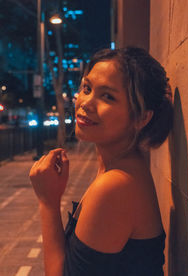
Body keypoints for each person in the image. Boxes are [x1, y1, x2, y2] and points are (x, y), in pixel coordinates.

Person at [29, 46, 173, 276]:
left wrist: (48, 202)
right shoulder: (121, 168)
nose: (85, 102)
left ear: (141, 117)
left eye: (107, 96)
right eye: (87, 88)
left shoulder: (115, 185)